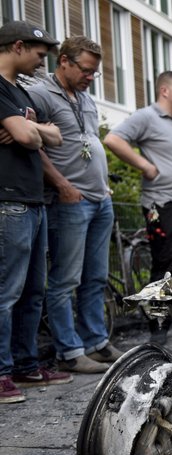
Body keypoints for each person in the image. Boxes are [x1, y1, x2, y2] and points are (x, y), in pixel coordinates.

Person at [28, 35, 122, 375]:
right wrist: (62, 184)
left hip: (99, 200)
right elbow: (33, 144)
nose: (90, 77)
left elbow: (88, 142)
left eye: (94, 72)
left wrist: (104, 186)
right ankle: (69, 350)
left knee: (95, 277)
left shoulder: (85, 97)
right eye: (85, 70)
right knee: (65, 279)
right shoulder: (40, 93)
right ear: (64, 61)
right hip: (69, 202)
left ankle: (96, 341)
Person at [104, 71, 172, 343]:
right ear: (164, 91)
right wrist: (144, 166)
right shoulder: (147, 117)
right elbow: (113, 139)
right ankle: (158, 326)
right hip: (162, 205)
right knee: (164, 264)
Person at [0, 21, 70, 404]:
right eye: (39, 54)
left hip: (33, 199)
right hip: (8, 200)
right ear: (18, 46)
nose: (43, 62)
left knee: (33, 290)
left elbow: (55, 136)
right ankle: (1, 372)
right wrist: (32, 130)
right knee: (6, 290)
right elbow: (30, 138)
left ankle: (26, 365)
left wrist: (30, 127)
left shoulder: (20, 91)